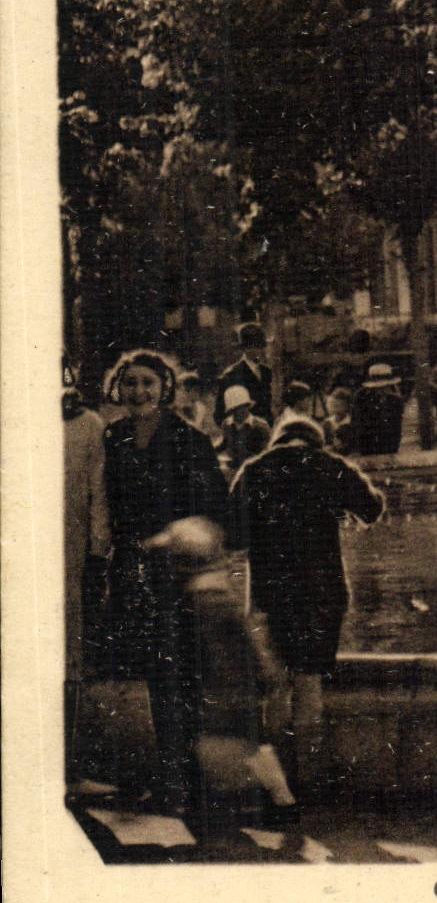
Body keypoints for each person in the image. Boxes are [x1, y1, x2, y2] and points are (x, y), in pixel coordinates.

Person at [97, 348, 229, 816]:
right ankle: (174, 780)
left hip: (176, 571)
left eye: (148, 383)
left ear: (165, 388)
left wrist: (180, 538)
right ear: (119, 388)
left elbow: (215, 504)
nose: (139, 392)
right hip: (135, 571)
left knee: (182, 675)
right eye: (130, 383)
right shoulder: (111, 436)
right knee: (156, 676)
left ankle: (189, 784)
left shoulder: (188, 439)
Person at [229, 417, 384, 798]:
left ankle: (278, 787)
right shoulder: (331, 466)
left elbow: (231, 535)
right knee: (309, 683)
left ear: (278, 441)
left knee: (277, 686)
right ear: (315, 442)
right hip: (322, 596)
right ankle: (309, 779)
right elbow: (372, 509)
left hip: (270, 595)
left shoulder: (253, 470)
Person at [145, 517, 299, 830]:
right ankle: (280, 803)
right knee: (255, 744)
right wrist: (263, 673)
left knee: (222, 743)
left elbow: (201, 652)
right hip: (236, 687)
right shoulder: (220, 596)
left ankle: (259, 805)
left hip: (219, 689)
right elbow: (249, 640)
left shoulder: (197, 602)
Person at [63, 361, 111, 791]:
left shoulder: (89, 425)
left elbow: (99, 495)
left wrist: (98, 555)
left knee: (70, 656)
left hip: (71, 560)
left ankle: (67, 767)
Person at [214, 321, 275, 425]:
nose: (254, 350)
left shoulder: (266, 372)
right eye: (249, 346)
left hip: (263, 431)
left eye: (258, 346)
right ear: (243, 348)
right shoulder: (232, 374)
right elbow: (220, 414)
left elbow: (268, 407)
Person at [351, 363, 407, 455]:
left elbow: (396, 427)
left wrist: (393, 449)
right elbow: (356, 424)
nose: (382, 390)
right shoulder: (361, 397)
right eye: (379, 387)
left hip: (388, 443)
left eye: (385, 386)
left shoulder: (396, 400)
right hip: (366, 442)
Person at [218, 384, 272, 476]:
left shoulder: (260, 426)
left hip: (254, 472)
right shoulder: (227, 425)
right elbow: (224, 442)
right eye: (237, 408)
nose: (242, 411)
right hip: (232, 471)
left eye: (244, 406)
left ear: (248, 406)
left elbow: (266, 453)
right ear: (231, 410)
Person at [174, 371, 219, 447]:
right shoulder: (176, 408)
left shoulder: (200, 408)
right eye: (195, 390)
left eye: (198, 390)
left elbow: (202, 428)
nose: (198, 393)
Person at [321, 386, 355, 454]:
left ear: (347, 405)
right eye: (334, 403)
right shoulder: (327, 423)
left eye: (341, 401)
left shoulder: (352, 422)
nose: (336, 404)